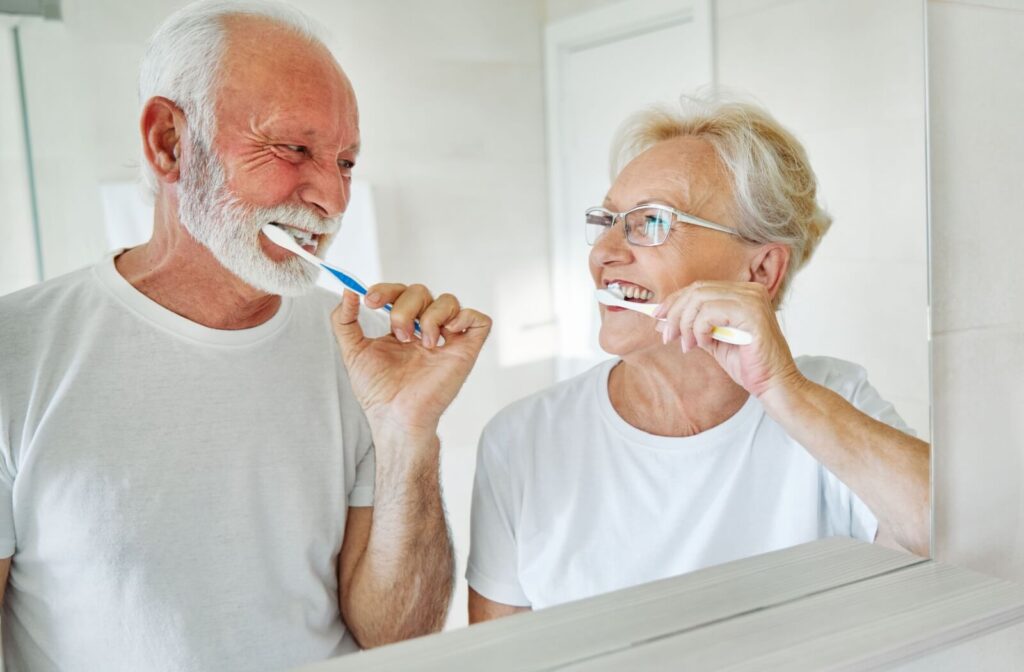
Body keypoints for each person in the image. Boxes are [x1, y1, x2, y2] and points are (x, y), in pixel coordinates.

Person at [0, 2, 491, 669]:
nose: (332, 198)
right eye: (294, 148)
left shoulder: (367, 352)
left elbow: (400, 642)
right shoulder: (15, 353)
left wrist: (408, 434)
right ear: (169, 142)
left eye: (346, 163)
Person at [467, 98, 930, 622]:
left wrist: (785, 389)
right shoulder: (521, 440)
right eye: (609, 221)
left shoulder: (831, 400)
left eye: (651, 222)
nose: (603, 254)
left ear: (759, 270)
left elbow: (963, 535)